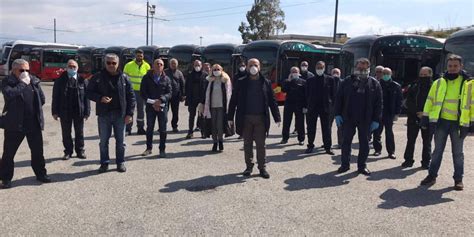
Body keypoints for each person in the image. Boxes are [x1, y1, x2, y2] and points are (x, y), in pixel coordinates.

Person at [420, 54, 473, 191]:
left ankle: (458, 179)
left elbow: (472, 105)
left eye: (456, 66)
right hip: (441, 123)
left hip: (458, 124)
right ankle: (432, 176)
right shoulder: (438, 82)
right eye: (450, 66)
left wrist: (471, 122)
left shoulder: (469, 84)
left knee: (458, 153)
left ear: (461, 66)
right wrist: (426, 117)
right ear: (446, 66)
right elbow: (430, 100)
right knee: (437, 151)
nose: (453, 68)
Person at [0, 59, 50, 189]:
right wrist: (22, 83)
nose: (25, 73)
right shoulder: (8, 82)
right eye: (22, 70)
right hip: (15, 124)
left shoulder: (34, 80)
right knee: (8, 154)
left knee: (38, 152)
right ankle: (5, 178)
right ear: (13, 70)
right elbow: (9, 94)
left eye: (27, 70)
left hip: (33, 123)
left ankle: (41, 174)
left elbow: (42, 99)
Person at [227, 58, 281, 179]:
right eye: (250, 65)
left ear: (259, 67)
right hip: (245, 118)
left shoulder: (266, 82)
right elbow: (233, 100)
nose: (253, 67)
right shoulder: (241, 82)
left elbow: (272, 101)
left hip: (261, 119)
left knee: (261, 144)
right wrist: (230, 117)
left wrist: (277, 117)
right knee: (247, 144)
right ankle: (249, 167)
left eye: (255, 65)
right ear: (246, 67)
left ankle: (262, 167)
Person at [86, 53, 136, 173]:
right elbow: (88, 92)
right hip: (104, 115)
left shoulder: (124, 77)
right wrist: (100, 98)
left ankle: (120, 162)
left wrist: (129, 114)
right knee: (103, 141)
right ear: (105, 63)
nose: (111, 65)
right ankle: (104, 163)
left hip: (120, 115)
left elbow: (131, 97)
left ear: (118, 64)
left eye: (114, 63)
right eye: (108, 62)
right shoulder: (97, 77)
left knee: (121, 142)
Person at [334, 58, 382, 176]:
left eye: (365, 69)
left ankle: (362, 166)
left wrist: (376, 119)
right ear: (355, 68)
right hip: (348, 117)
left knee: (364, 143)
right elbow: (339, 98)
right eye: (360, 68)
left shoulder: (374, 83)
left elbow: (379, 103)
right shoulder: (346, 81)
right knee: (346, 142)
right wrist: (337, 114)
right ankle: (345, 165)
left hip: (366, 119)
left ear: (369, 69)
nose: (362, 71)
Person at [52, 59, 90, 160]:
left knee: (80, 132)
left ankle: (80, 151)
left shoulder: (83, 81)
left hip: (79, 111)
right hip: (65, 111)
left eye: (74, 67)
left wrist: (87, 112)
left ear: (77, 68)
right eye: (70, 66)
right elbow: (55, 97)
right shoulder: (60, 81)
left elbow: (87, 98)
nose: (72, 68)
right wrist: (54, 112)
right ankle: (68, 151)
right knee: (66, 133)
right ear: (66, 68)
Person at [140, 59, 172, 158]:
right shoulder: (146, 78)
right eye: (157, 64)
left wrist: (161, 100)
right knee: (150, 128)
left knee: (163, 129)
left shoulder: (166, 79)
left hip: (162, 107)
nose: (159, 66)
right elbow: (143, 92)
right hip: (150, 107)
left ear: (163, 66)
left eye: (161, 64)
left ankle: (162, 149)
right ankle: (148, 148)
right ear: (152, 66)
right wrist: (153, 102)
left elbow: (169, 93)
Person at [402, 67, 433, 168]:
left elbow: (436, 103)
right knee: (410, 140)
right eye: (421, 75)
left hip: (428, 118)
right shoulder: (414, 86)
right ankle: (408, 160)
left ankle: (426, 162)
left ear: (430, 75)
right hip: (413, 117)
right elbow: (408, 101)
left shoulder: (434, 87)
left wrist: (425, 113)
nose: (423, 77)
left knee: (427, 141)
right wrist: (416, 112)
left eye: (425, 75)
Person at [305, 61, 335, 155]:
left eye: (321, 67)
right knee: (311, 128)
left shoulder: (330, 79)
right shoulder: (310, 80)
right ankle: (310, 145)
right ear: (315, 68)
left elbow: (333, 94)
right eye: (318, 67)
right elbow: (306, 94)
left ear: (324, 68)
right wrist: (307, 105)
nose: (319, 69)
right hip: (313, 107)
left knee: (326, 128)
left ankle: (327, 147)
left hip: (325, 107)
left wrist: (332, 106)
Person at [372, 67, 402, 158]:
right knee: (377, 132)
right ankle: (377, 150)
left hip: (389, 113)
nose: (385, 75)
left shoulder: (396, 86)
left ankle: (391, 152)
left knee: (389, 133)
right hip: (379, 113)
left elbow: (399, 101)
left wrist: (397, 113)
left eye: (387, 74)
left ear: (391, 74)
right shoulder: (376, 84)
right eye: (383, 73)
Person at [202, 64, 232, 152]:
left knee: (220, 125)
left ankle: (221, 141)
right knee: (213, 125)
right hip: (211, 107)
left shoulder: (225, 80)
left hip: (221, 107)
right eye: (214, 69)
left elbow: (229, 93)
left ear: (221, 70)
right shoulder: (209, 80)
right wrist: (202, 104)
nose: (216, 71)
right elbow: (205, 93)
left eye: (218, 69)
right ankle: (214, 142)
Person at [123, 49, 151, 135]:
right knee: (129, 110)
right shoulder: (128, 65)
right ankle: (128, 129)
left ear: (143, 56)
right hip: (131, 91)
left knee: (141, 110)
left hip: (142, 92)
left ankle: (140, 128)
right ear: (135, 56)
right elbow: (124, 79)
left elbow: (149, 79)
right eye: (138, 55)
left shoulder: (147, 66)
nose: (140, 57)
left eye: (141, 56)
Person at [280, 66, 306, 145]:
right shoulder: (287, 81)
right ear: (290, 73)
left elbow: (306, 95)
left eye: (296, 72)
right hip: (289, 104)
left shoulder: (303, 82)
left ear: (299, 73)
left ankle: (301, 139)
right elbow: (283, 90)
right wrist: (289, 80)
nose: (294, 73)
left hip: (299, 104)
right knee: (286, 122)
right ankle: (285, 138)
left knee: (300, 123)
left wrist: (305, 106)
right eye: (293, 72)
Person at [185, 60, 204, 139]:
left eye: (198, 65)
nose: (197, 66)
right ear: (193, 66)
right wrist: (185, 96)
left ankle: (203, 132)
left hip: (201, 99)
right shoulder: (189, 75)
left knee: (202, 116)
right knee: (191, 116)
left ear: (201, 65)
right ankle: (190, 132)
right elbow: (186, 86)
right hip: (192, 99)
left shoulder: (204, 75)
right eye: (195, 65)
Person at [164, 58, 185, 133]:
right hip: (166, 95)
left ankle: (174, 126)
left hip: (176, 96)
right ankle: (163, 126)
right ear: (169, 64)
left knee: (175, 112)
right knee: (164, 112)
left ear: (177, 65)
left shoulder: (179, 73)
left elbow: (182, 84)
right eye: (172, 63)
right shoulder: (165, 72)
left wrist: (183, 95)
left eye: (174, 63)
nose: (173, 65)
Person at [331, 68, 344, 149]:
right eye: (334, 72)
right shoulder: (328, 81)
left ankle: (340, 143)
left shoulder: (343, 82)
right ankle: (327, 143)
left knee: (340, 126)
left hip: (340, 108)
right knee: (328, 126)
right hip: (330, 107)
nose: (335, 74)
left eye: (337, 72)